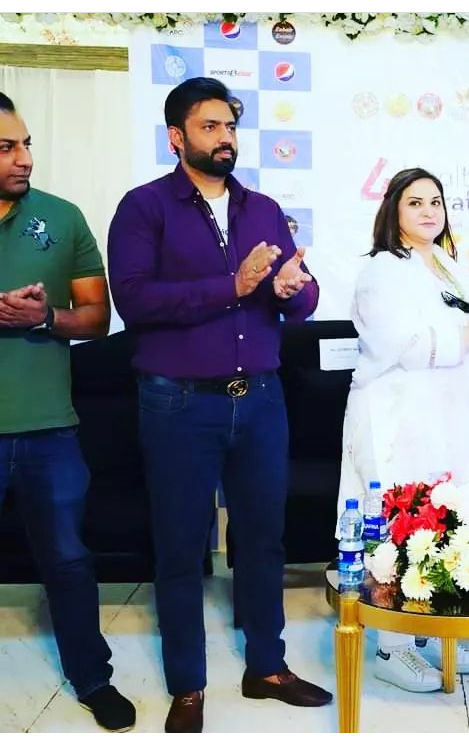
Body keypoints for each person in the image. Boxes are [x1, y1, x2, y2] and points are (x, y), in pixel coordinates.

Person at [107, 77, 331, 733]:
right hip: (178, 404)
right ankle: (188, 684)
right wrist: (230, 286)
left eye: (230, 126)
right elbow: (134, 300)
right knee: (181, 546)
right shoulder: (144, 207)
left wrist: (291, 290)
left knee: (262, 540)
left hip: (260, 399)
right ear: (176, 137)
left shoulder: (262, 208)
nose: (225, 137)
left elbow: (303, 296)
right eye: (210, 126)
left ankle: (267, 667)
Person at [336, 167, 469, 692]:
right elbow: (405, 345)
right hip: (402, 417)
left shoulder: (451, 267)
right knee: (401, 523)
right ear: (393, 210)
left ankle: (434, 630)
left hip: (453, 415)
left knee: (445, 520)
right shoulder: (381, 270)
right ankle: (392, 647)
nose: (428, 211)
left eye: (436, 202)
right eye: (415, 202)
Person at [0, 91, 135, 732]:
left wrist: (43, 316)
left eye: (26, 144)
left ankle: (92, 678)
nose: (25, 158)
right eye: (6, 147)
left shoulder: (62, 216)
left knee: (70, 561)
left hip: (49, 430)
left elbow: (96, 317)